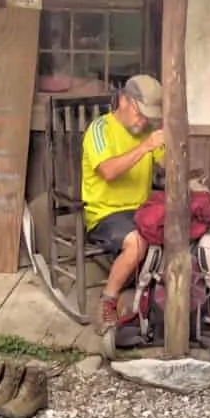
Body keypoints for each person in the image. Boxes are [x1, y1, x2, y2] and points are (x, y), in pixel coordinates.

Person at [81, 74, 165, 332]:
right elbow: (108, 171)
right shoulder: (99, 129)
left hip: (140, 209)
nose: (143, 121)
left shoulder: (147, 131)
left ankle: (163, 301)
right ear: (124, 101)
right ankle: (108, 301)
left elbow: (167, 166)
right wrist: (145, 148)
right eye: (140, 113)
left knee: (183, 227)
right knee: (138, 241)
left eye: (148, 116)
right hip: (106, 213)